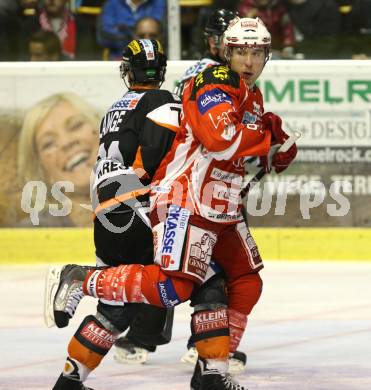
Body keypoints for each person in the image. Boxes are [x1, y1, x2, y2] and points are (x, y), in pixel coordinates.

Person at [47, 17, 298, 389]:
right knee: (173, 289)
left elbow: (247, 149)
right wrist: (264, 137)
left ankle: (212, 371)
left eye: (256, 52)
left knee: (243, 280)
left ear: (267, 56)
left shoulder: (251, 97)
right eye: (241, 51)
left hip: (218, 208)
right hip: (186, 201)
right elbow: (221, 139)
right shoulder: (210, 83)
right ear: (226, 53)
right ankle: (84, 279)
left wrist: (277, 148)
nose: (248, 60)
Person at [47, 38, 182, 390]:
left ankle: (70, 380)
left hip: (105, 213)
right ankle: (81, 277)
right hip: (137, 207)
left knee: (114, 310)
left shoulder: (114, 108)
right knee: (186, 277)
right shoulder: (164, 100)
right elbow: (153, 157)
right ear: (160, 71)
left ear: (129, 70)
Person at [18, 92, 100, 227]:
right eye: (49, 143)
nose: (66, 142)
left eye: (76, 126)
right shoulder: (27, 236)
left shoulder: (145, 207)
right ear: (42, 171)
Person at [97, 0, 166, 60]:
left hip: (156, 59)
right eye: (141, 36)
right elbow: (104, 37)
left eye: (152, 36)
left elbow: (166, 35)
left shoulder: (159, 2)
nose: (146, 40)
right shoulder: (112, 3)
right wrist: (131, 36)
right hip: (119, 59)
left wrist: (124, 30)